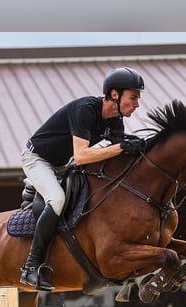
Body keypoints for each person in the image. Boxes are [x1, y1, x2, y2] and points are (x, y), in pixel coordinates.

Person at [19, 66, 147, 291]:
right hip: (37, 159)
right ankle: (30, 267)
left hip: (62, 164)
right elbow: (81, 156)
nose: (137, 104)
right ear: (115, 95)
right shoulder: (85, 109)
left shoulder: (115, 120)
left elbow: (117, 153)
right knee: (57, 200)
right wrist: (121, 147)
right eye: (133, 97)